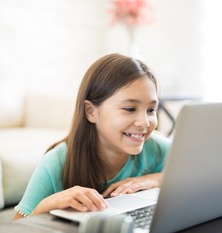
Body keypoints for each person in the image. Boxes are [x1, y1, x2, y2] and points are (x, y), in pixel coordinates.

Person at [14, 53, 171, 220]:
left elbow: (200, 175)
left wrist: (152, 180)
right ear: (91, 111)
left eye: (151, 110)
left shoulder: (158, 148)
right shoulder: (57, 162)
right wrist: (49, 204)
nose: (144, 122)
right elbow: (16, 230)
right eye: (130, 109)